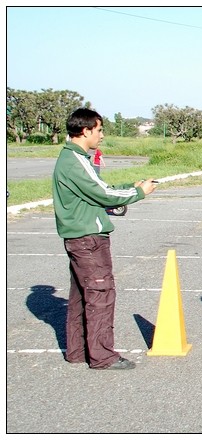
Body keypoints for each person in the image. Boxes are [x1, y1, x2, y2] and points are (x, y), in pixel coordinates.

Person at [52, 108, 157, 370]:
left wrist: (129, 188)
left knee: (80, 297)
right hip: (88, 240)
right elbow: (104, 195)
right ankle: (102, 356)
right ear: (85, 131)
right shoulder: (74, 161)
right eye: (99, 130)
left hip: (80, 237)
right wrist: (139, 193)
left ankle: (78, 351)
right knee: (101, 294)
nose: (101, 135)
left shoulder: (75, 158)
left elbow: (99, 191)